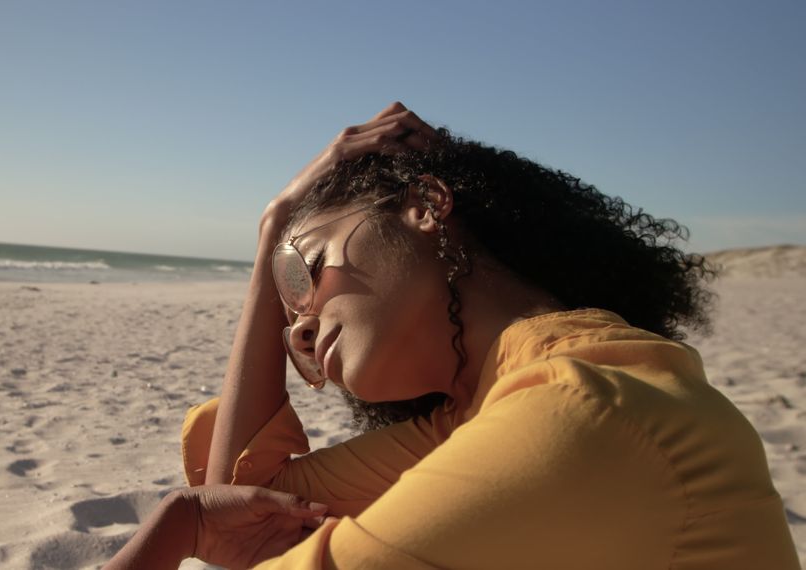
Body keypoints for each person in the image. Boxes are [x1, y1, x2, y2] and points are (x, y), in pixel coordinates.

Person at [105, 103, 801, 569]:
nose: (302, 321)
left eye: (306, 269)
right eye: (287, 307)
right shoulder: (486, 410)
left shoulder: (575, 413)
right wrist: (275, 229)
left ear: (427, 206)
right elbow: (251, 509)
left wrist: (175, 527)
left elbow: (227, 531)